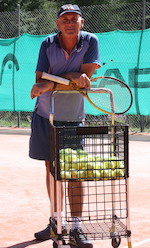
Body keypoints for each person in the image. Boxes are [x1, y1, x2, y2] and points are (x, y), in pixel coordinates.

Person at [29, 4, 100, 248]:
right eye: (65, 19)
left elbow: (84, 82)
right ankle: (56, 222)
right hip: (45, 115)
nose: (70, 22)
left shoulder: (91, 41)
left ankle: (76, 227)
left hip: (73, 118)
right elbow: (39, 81)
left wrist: (53, 82)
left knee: (74, 172)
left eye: (74, 19)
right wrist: (71, 76)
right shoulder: (47, 44)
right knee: (52, 171)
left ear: (82, 22)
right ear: (58, 24)